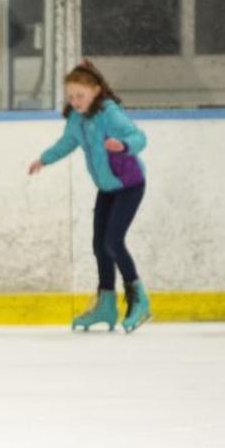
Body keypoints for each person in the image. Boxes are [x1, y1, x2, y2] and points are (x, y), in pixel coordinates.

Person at [28, 60, 151, 333]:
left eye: (80, 96)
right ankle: (106, 304)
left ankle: (140, 299)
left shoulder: (110, 113)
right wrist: (44, 160)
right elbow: (67, 143)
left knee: (113, 242)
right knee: (99, 245)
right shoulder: (76, 118)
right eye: (71, 96)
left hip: (129, 185)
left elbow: (139, 137)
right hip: (107, 188)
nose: (75, 101)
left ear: (96, 91)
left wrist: (123, 145)